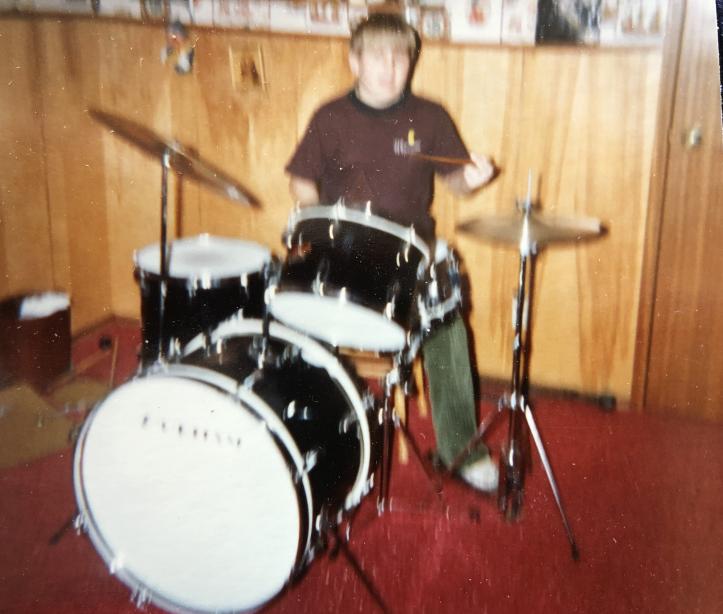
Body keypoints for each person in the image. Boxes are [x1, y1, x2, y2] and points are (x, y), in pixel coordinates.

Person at [285, 12, 498, 492]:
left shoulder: (431, 116)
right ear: (354, 60)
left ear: (411, 62)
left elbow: (457, 184)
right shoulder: (330, 117)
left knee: (446, 319)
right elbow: (300, 180)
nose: (389, 67)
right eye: (378, 57)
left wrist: (473, 178)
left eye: (400, 57)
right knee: (291, 312)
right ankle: (302, 436)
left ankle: (461, 450)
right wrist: (318, 222)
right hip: (342, 248)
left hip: (410, 253)